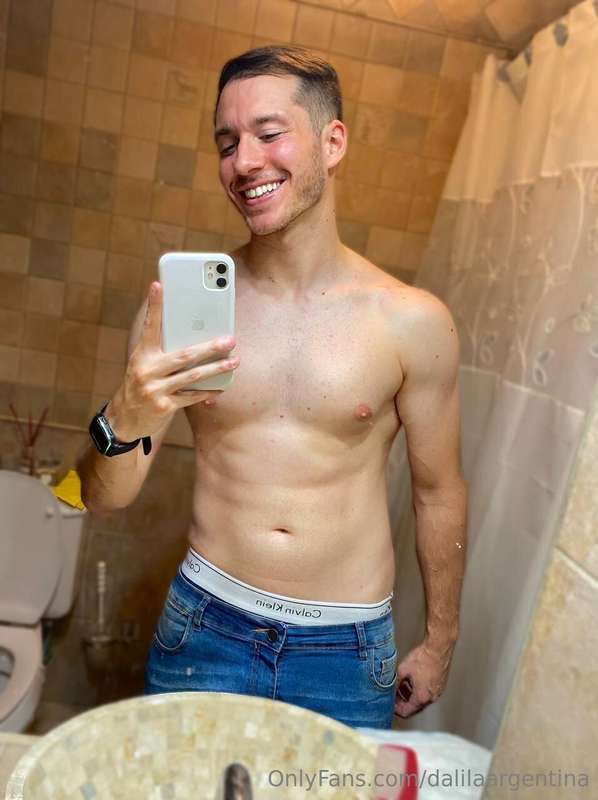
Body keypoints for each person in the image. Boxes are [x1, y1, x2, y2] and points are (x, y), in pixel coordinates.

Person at [78, 45, 467, 730]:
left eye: (268, 133)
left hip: (346, 650)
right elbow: (103, 499)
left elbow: (439, 491)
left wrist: (440, 642)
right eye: (227, 144)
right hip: (205, 626)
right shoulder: (181, 313)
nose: (244, 162)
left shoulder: (411, 321)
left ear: (332, 142)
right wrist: (124, 412)